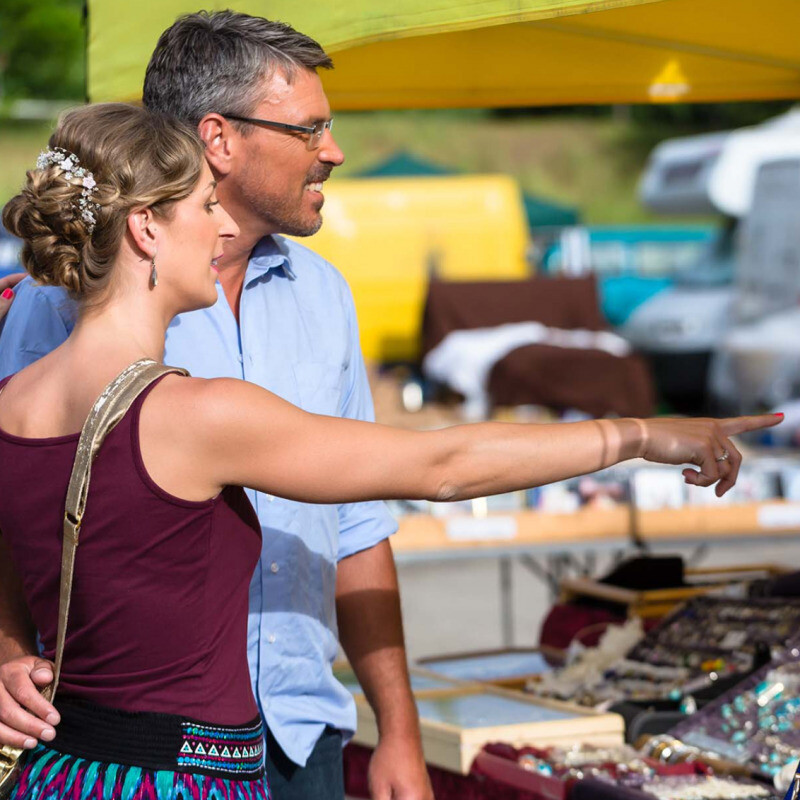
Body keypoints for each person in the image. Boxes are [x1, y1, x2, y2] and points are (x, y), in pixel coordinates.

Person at [0, 104, 782, 800]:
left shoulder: (15, 402)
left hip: (61, 769)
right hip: (182, 779)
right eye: (205, 206)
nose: (225, 227)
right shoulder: (194, 413)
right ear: (145, 228)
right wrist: (634, 435)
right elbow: (441, 466)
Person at [0, 12, 432, 800]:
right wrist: (2, 652)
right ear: (220, 139)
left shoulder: (324, 294)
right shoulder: (60, 302)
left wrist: (398, 728)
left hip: (303, 730)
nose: (332, 151)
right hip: (133, 751)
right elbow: (13, 502)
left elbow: (360, 526)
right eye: (311, 129)